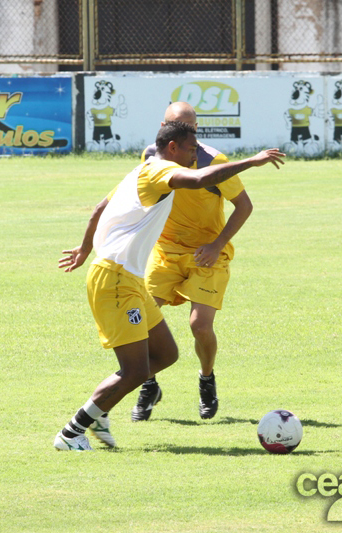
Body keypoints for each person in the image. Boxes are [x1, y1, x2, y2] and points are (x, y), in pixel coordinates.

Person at [54, 122, 284, 451]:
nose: (195, 154)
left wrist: (85, 248)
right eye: (191, 149)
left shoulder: (142, 169)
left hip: (128, 278)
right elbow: (201, 180)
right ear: (172, 147)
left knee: (165, 354)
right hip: (114, 279)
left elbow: (99, 208)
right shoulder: (160, 170)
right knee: (135, 371)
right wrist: (252, 160)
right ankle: (71, 432)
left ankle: (100, 410)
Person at [132, 102, 254, 422]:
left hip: (206, 254)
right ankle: (149, 385)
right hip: (165, 252)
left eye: (191, 130)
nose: (185, 136)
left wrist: (216, 245)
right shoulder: (151, 156)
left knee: (199, 326)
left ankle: (206, 379)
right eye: (177, 128)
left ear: (197, 130)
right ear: (164, 128)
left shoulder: (214, 161)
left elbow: (244, 206)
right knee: (140, 319)